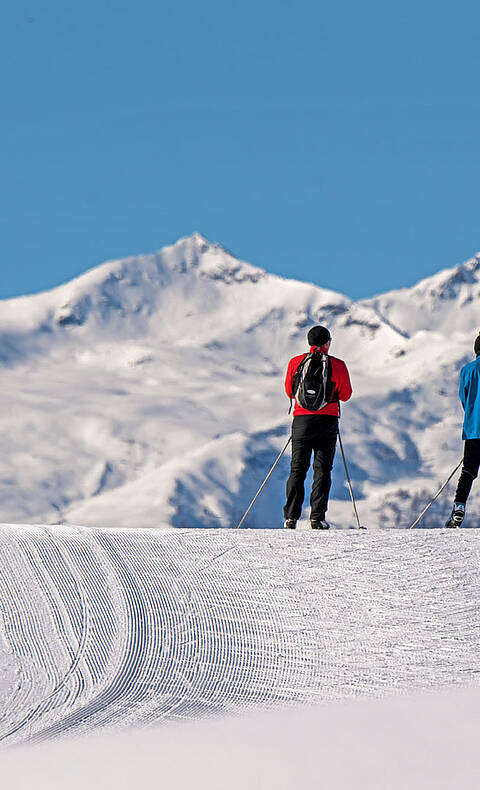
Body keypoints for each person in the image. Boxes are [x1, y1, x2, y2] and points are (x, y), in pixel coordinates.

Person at [284, 325, 352, 529]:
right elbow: (346, 394)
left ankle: (291, 517)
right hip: (327, 421)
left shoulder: (296, 363)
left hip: (301, 422)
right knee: (322, 469)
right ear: (327, 343)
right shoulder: (337, 365)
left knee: (297, 469)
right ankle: (317, 518)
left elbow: (289, 390)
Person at [445, 332, 480, 528]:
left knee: (468, 471)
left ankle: (459, 508)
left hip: (474, 429)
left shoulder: (468, 370)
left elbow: (464, 398)